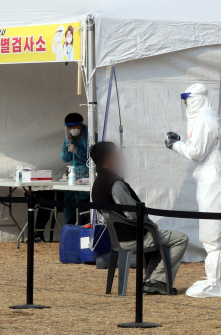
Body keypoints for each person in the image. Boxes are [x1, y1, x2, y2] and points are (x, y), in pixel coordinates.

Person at [165, 83, 221, 298]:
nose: (185, 103)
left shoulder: (206, 118)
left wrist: (175, 146)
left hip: (214, 181)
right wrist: (181, 141)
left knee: (211, 234)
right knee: (211, 233)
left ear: (195, 98)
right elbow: (202, 147)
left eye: (187, 98)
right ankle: (214, 278)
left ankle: (215, 283)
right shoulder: (208, 117)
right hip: (213, 179)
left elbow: (197, 152)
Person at [91, 141, 188, 295]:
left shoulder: (97, 183)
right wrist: (149, 223)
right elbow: (133, 213)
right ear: (108, 159)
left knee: (160, 240)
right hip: (132, 236)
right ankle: (157, 281)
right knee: (180, 238)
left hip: (119, 236)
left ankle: (151, 280)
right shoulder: (114, 183)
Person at [32, 113, 90, 242]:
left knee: (82, 203)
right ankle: (65, 232)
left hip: (86, 176)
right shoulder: (68, 135)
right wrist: (67, 143)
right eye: (69, 127)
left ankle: (78, 234)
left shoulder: (90, 135)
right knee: (59, 200)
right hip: (73, 174)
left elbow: (91, 159)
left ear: (81, 125)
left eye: (74, 126)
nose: (72, 129)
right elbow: (65, 158)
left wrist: (77, 151)